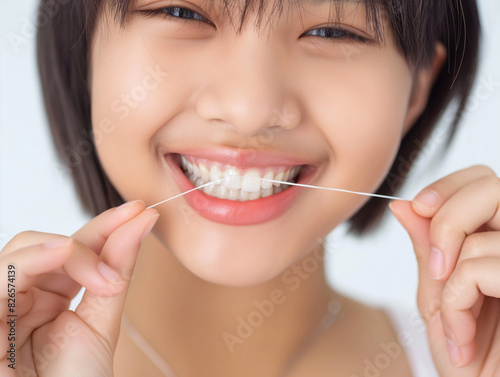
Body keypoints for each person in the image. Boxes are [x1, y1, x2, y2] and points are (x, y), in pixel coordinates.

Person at [0, 0, 498, 376]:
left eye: (330, 30)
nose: (249, 108)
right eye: (184, 12)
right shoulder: (14, 353)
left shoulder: (472, 355)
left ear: (417, 88)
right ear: (85, 50)